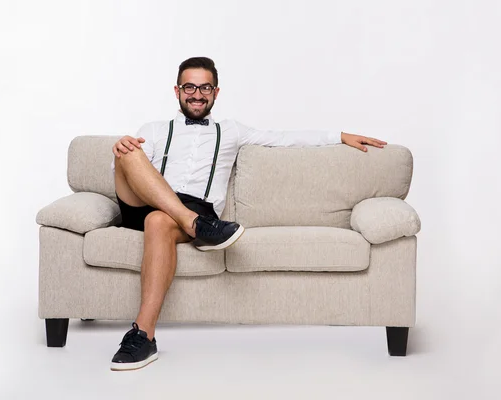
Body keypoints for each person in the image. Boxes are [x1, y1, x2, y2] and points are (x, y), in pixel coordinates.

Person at [108, 57, 387, 371]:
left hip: (187, 207)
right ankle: (197, 226)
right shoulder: (155, 129)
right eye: (189, 87)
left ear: (216, 92)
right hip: (146, 201)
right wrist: (123, 147)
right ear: (177, 90)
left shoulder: (231, 131)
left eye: (205, 87)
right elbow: (135, 175)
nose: (196, 94)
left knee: (158, 220)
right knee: (127, 149)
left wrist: (338, 136)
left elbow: (284, 139)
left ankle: (143, 336)